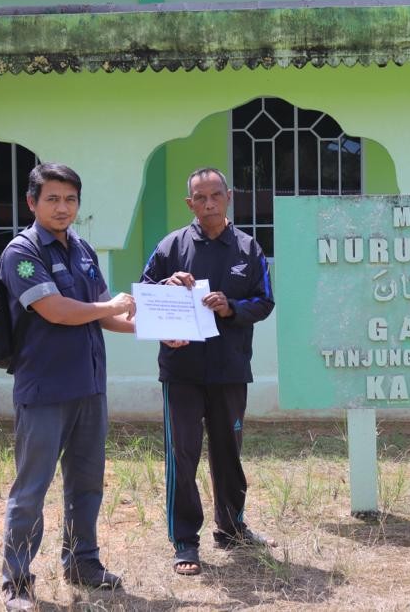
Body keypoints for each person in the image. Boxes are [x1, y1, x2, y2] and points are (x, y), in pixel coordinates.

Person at [0, 163, 135, 610]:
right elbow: (56, 310)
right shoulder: (22, 253)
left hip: (89, 387)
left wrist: (153, 326)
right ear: (32, 202)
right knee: (31, 490)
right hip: (44, 390)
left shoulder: (81, 249)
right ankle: (16, 582)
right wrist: (109, 306)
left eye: (70, 199)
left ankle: (83, 563)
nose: (63, 208)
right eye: (53, 199)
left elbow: (104, 313)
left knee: (87, 482)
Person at [141, 167, 276, 576]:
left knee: (227, 452)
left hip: (230, 369)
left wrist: (231, 308)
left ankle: (231, 527)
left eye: (216, 195)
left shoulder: (248, 249)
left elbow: (266, 302)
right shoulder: (171, 246)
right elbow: (145, 296)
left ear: (229, 196)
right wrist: (168, 284)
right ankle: (185, 540)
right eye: (201, 197)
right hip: (181, 371)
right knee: (182, 454)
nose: (209, 203)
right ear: (190, 204)